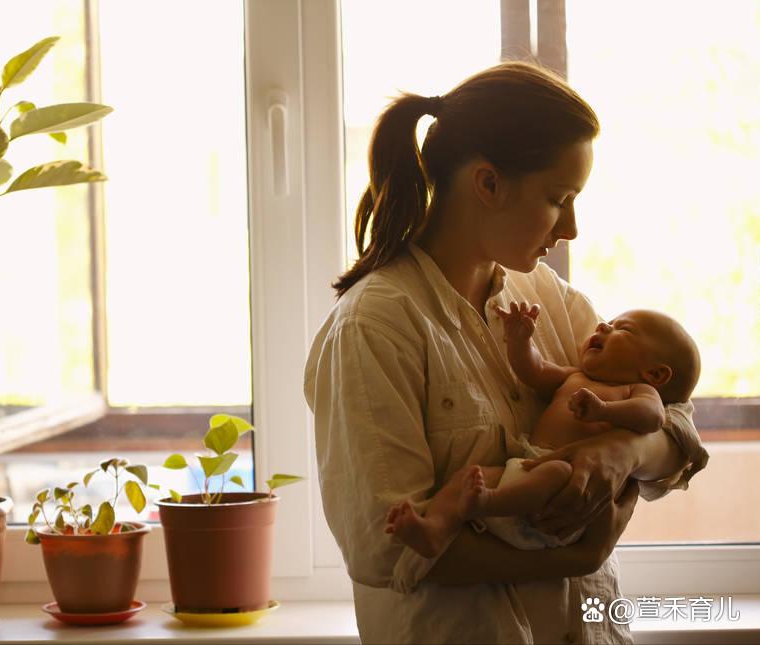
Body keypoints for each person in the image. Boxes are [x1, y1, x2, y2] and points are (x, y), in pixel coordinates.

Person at [303, 61, 710, 645]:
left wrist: (624, 450)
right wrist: (571, 556)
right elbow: (386, 550)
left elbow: (678, 425)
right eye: (558, 199)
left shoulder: (548, 298)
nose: (570, 228)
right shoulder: (375, 327)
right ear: (488, 184)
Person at [385, 304, 702, 557]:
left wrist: (605, 411)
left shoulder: (636, 391)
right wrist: (520, 341)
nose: (603, 326)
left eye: (623, 329)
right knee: (467, 476)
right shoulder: (574, 377)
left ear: (655, 373)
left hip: (564, 498)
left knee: (553, 473)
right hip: (523, 468)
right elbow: (534, 371)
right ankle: (435, 530)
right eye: (608, 321)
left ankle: (487, 504)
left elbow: (653, 418)